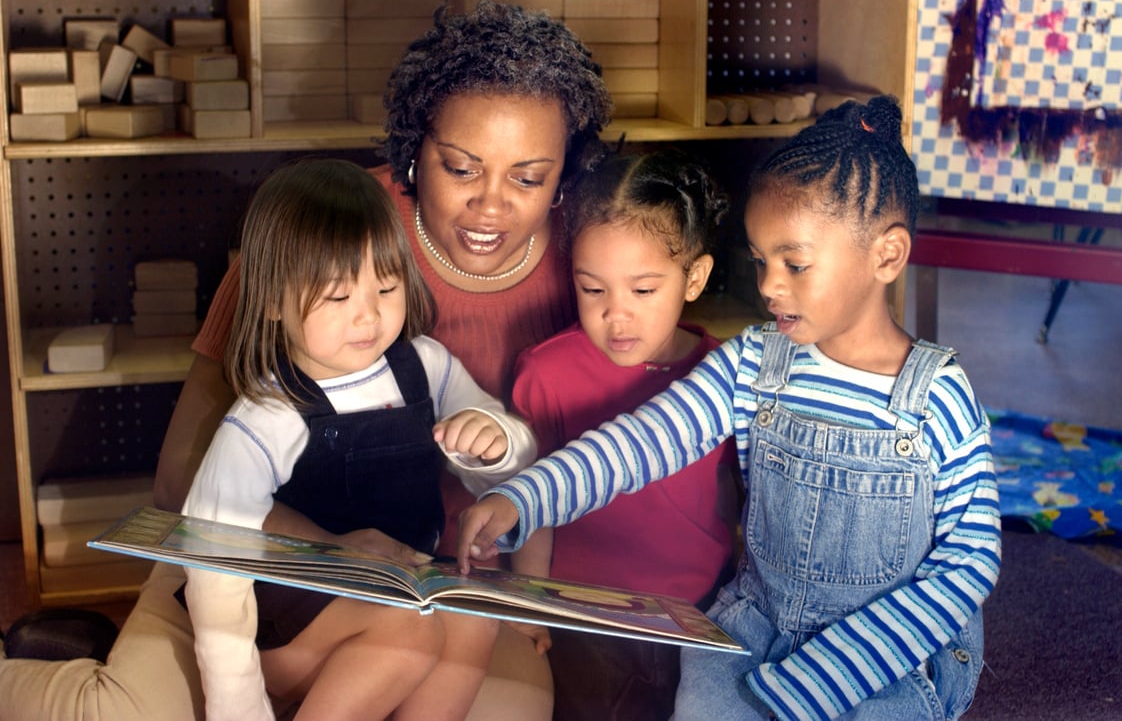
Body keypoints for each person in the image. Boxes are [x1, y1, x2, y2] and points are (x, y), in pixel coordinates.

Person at [0, 0, 611, 721]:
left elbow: (528, 452)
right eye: (460, 168)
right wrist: (333, 552)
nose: (491, 208)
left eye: (530, 178)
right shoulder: (325, 229)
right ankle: (55, 664)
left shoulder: (593, 258)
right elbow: (188, 494)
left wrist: (494, 452)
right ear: (417, 149)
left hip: (430, 581)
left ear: (564, 175)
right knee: (122, 715)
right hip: (261, 569)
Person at [458, 96, 1002, 721]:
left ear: (886, 255)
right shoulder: (752, 362)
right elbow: (641, 442)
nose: (769, 285)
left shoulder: (938, 394)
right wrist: (525, 498)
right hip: (760, 628)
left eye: (794, 264)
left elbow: (970, 560)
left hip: (892, 652)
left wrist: (830, 677)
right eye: (761, 261)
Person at [181, 157, 538, 720]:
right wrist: (237, 703)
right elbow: (210, 552)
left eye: (386, 287)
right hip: (288, 627)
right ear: (273, 300)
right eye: (338, 297)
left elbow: (506, 459)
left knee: (473, 613)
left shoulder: (426, 365)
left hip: (396, 590)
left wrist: (494, 440)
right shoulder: (269, 413)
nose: (368, 316)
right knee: (409, 629)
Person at [509, 150, 739, 719]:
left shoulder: (725, 377)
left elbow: (740, 505)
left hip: (696, 616)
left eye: (643, 291)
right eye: (594, 290)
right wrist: (528, 605)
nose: (617, 316)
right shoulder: (546, 371)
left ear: (695, 278)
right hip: (586, 616)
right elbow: (533, 502)